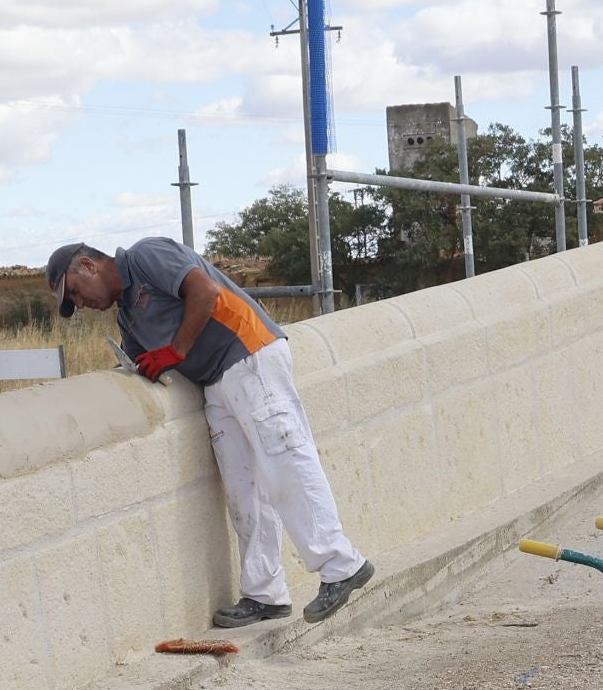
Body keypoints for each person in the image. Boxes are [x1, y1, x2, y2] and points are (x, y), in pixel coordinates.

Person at [46, 239, 375, 628]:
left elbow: (205, 291)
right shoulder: (127, 318)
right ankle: (265, 593)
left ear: (87, 265)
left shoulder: (146, 256)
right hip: (216, 382)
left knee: (286, 461)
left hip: (248, 354)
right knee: (243, 489)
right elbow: (147, 363)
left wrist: (175, 351)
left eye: (76, 293)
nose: (79, 304)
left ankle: (342, 566)